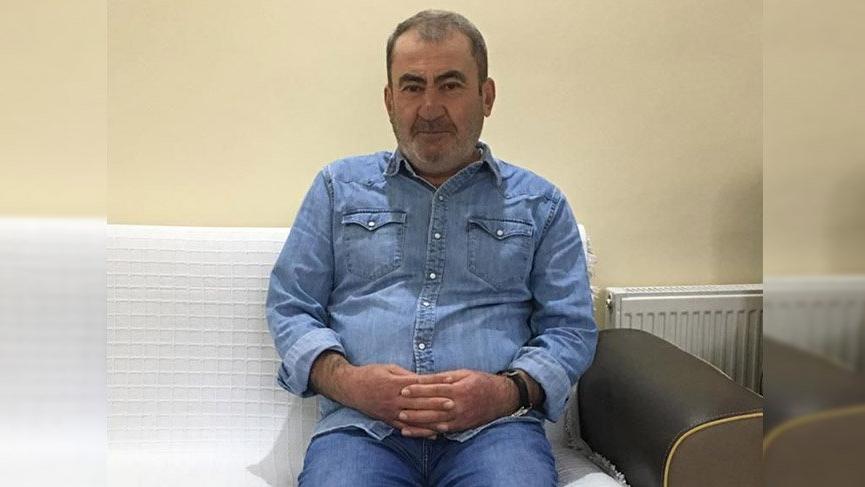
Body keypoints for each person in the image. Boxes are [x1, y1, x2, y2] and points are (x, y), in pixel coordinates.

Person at [266, 9, 597, 486]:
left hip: (496, 433)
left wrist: (506, 393)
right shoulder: (337, 189)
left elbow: (570, 330)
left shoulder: (540, 205)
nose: (429, 107)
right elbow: (291, 306)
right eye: (412, 86)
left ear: (486, 96)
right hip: (361, 431)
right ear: (389, 100)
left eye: (450, 85)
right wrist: (349, 382)